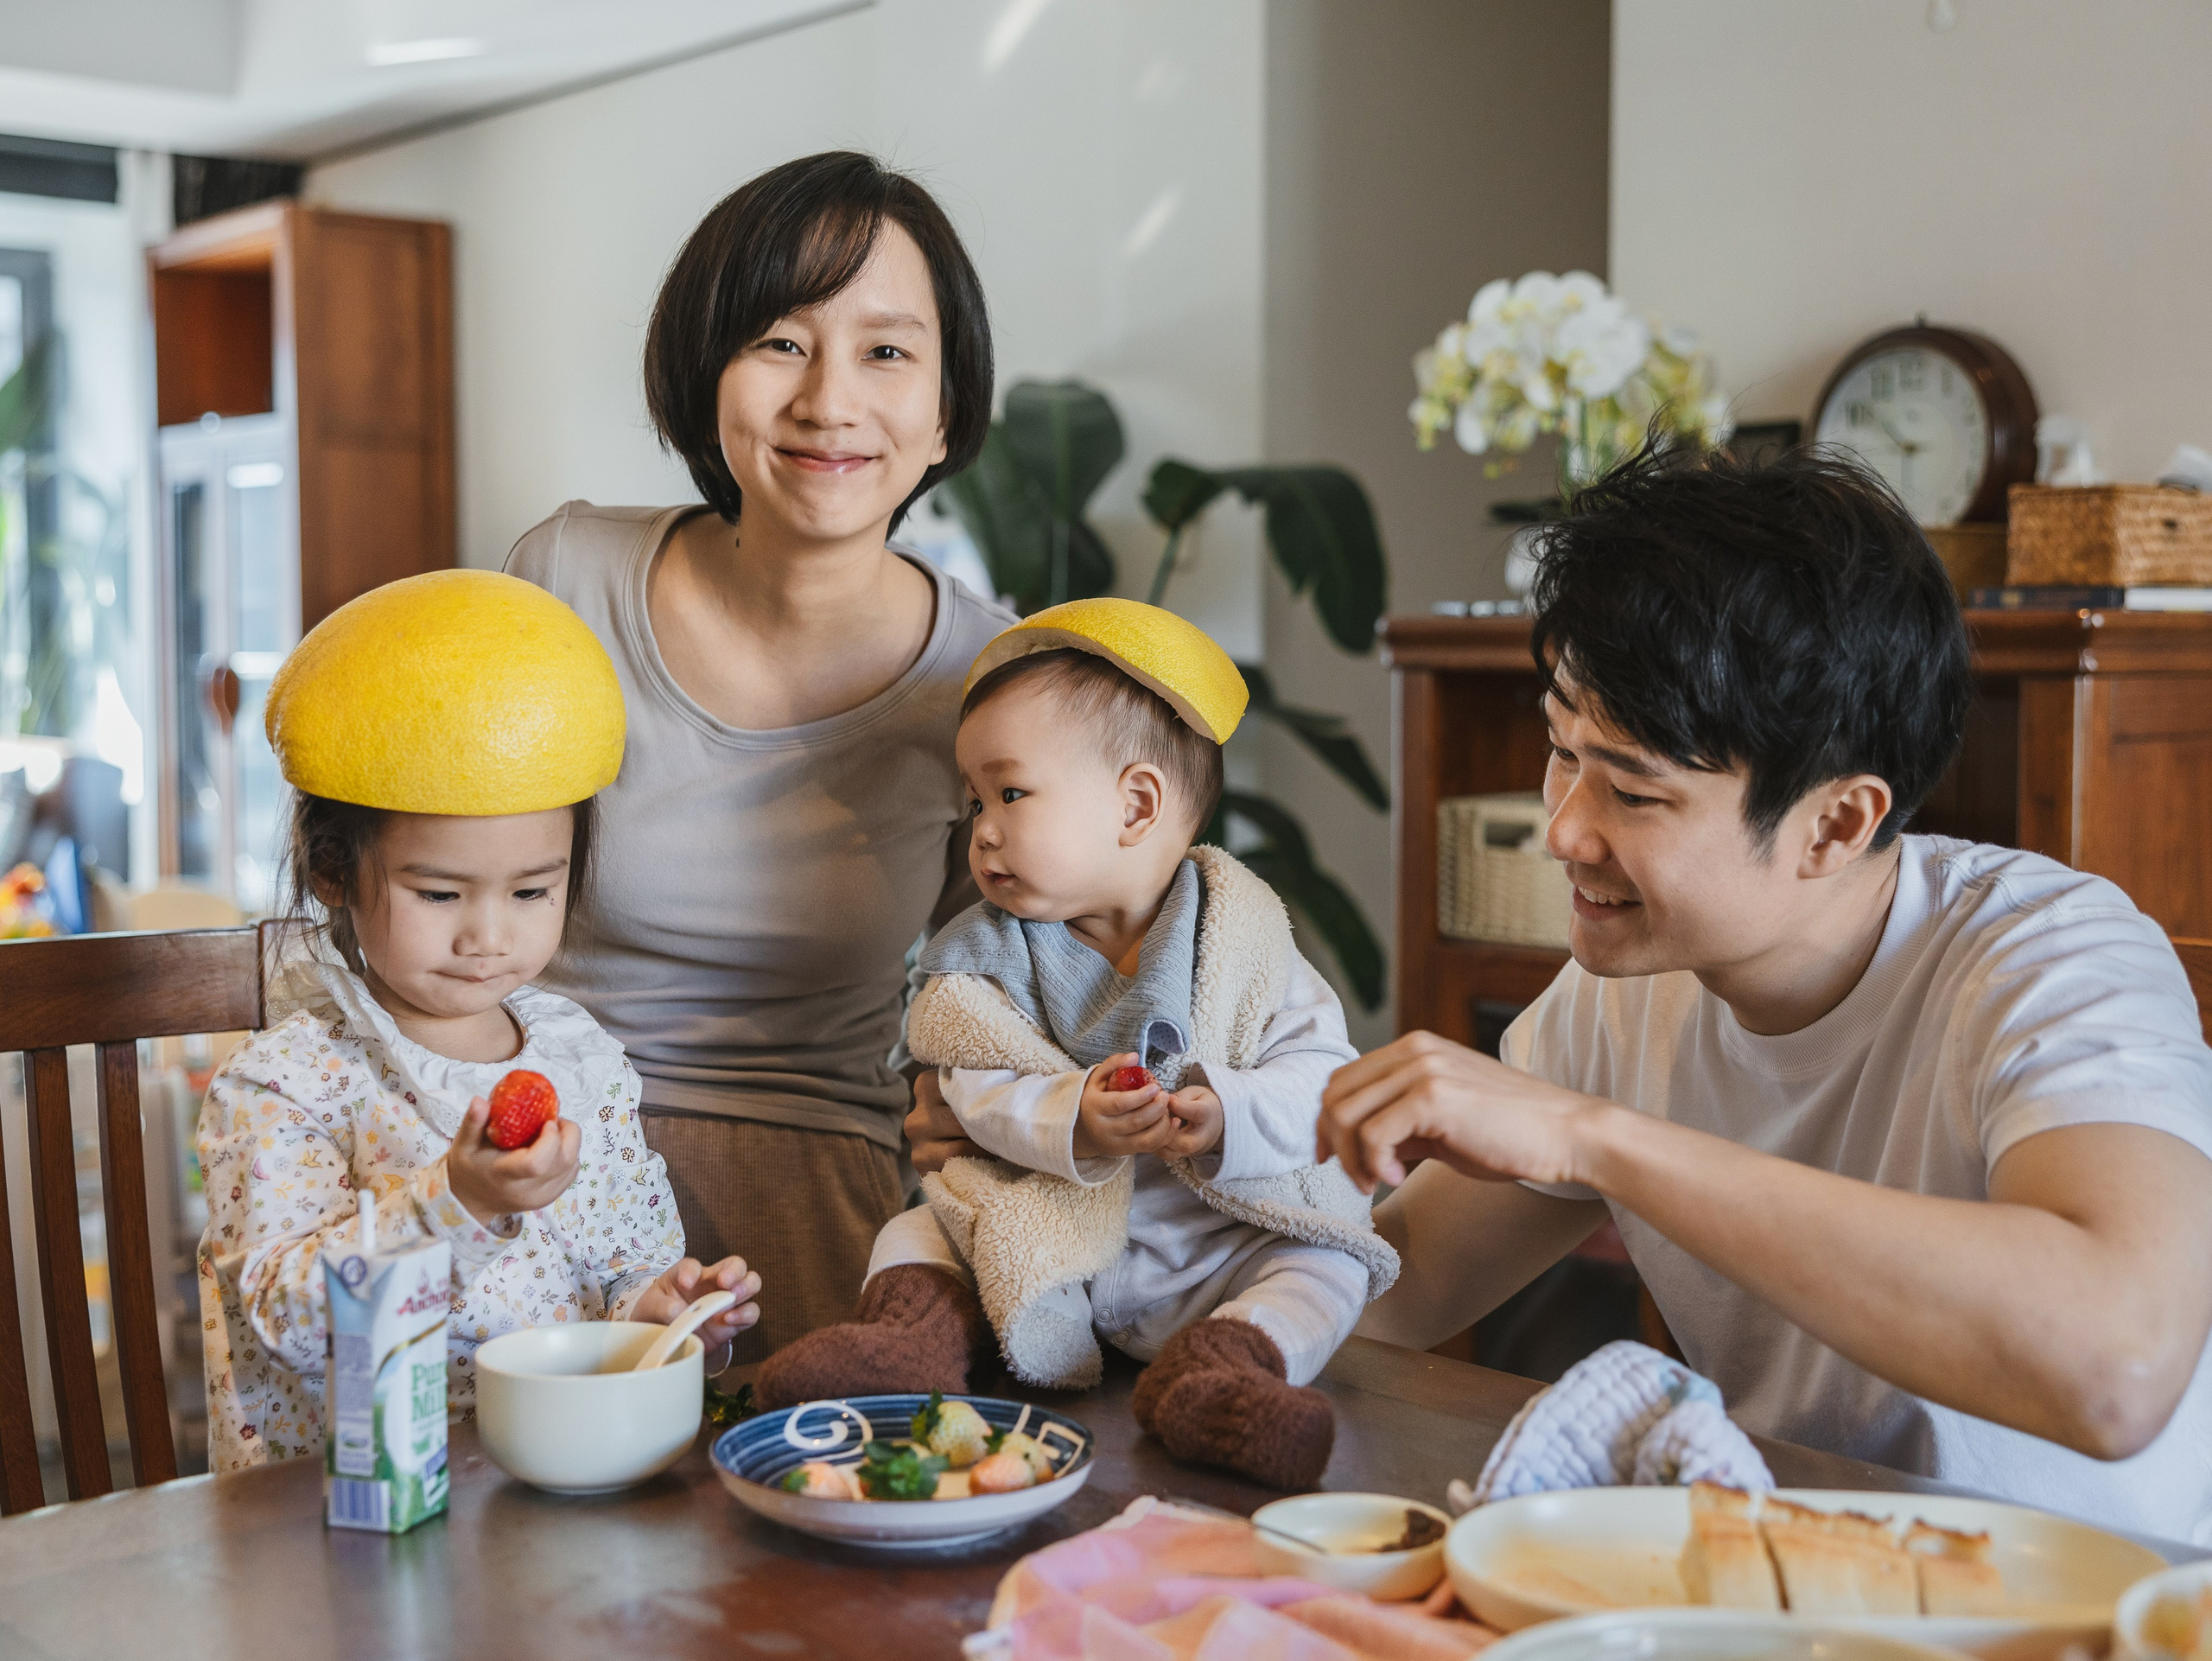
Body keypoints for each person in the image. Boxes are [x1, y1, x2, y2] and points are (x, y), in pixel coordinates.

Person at [1314, 445, 2212, 1542]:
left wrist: (1597, 1138)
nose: (1562, 829)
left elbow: (2115, 1367)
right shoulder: (1626, 989)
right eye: (1562, 753)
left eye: (1635, 790)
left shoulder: (2050, 958)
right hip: (1785, 1583)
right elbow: (1398, 1289)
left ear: (1835, 823)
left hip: (2082, 1603)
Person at [505, 150, 1011, 1365]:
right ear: (704, 372)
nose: (829, 400)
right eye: (781, 342)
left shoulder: (993, 681)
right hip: (539, 1161)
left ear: (946, 409)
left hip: (817, 1187)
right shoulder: (561, 582)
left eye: (886, 351)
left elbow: (989, 988)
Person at [760, 601, 1395, 1488]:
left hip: (1216, 1245)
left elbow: (1321, 1076)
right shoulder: (985, 955)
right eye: (974, 799)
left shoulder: (1246, 944)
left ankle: (1229, 1366)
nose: (980, 827)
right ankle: (907, 1343)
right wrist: (1073, 1118)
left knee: (1326, 1263)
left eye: (1009, 793)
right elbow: (971, 1080)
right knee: (925, 1223)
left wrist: (1226, 1112)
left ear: (1136, 803)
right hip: (1048, 1226)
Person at [197, 570, 760, 1471]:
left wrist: (661, 1304)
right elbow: (286, 1321)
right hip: (352, 1511)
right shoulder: (288, 1085)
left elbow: (617, 1270)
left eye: (533, 888)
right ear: (332, 870)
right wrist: (458, 1200)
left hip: (547, 1479)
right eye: (440, 891)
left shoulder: (580, 1058)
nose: (488, 935)